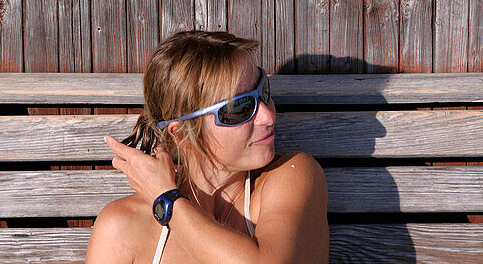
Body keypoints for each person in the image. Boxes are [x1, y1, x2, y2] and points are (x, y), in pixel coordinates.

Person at [86, 29, 329, 263]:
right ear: (181, 132)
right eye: (239, 108)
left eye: (263, 90)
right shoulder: (121, 227)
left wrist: (168, 201)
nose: (268, 116)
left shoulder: (292, 175)